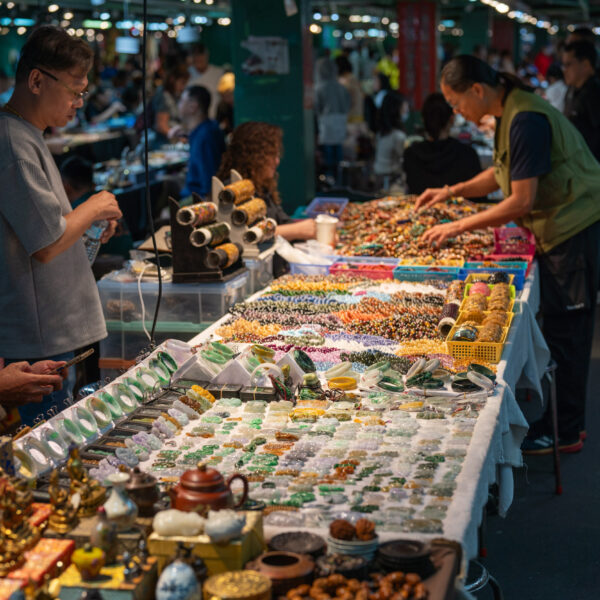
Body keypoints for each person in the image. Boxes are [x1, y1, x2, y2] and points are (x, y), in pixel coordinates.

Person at [415, 55, 600, 454]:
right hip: (561, 230)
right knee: (564, 330)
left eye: (456, 102)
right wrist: (451, 192)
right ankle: (565, 424)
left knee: (569, 332)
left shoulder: (525, 119)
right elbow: (504, 174)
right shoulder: (511, 113)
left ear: (477, 90)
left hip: (574, 230)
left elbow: (521, 199)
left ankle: (566, 431)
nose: (457, 112)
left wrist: (459, 225)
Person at [0, 26, 121, 425]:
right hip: (34, 341)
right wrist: (93, 206)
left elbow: (43, 228)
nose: (78, 103)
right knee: (42, 454)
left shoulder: (27, 134)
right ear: (36, 80)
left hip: (48, 331)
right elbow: (47, 242)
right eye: (73, 90)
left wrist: (88, 225)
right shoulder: (11, 141)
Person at [216, 121, 315, 242]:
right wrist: (298, 230)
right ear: (253, 157)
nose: (277, 161)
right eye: (272, 155)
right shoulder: (230, 193)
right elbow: (246, 235)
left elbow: (283, 220)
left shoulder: (262, 186)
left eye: (277, 155)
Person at [403, 92, 482, 196]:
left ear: (423, 119)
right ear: (452, 119)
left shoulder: (410, 154)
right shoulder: (468, 154)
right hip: (465, 211)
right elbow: (479, 197)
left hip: (418, 210)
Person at [176, 85, 225, 199]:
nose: (179, 105)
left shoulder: (205, 137)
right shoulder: (206, 130)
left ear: (193, 106)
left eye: (182, 101)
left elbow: (209, 186)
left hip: (196, 202)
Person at [561, 41, 600, 162]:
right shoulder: (572, 90)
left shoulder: (595, 93)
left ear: (586, 65)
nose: (564, 70)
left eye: (568, 65)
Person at [314, 58, 351, 182]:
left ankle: (330, 181)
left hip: (326, 125)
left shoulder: (319, 88)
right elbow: (347, 105)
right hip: (340, 123)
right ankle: (339, 180)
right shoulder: (341, 87)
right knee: (338, 154)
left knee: (328, 156)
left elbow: (317, 108)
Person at [373, 91, 407, 192]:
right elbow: (404, 159)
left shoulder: (380, 134)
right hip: (392, 185)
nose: (406, 110)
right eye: (404, 108)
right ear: (397, 110)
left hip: (378, 181)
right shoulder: (398, 136)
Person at [151, 64, 189, 147]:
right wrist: (179, 137)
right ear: (172, 79)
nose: (183, 87)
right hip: (163, 144)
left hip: (172, 144)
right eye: (182, 83)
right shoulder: (163, 95)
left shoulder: (174, 95)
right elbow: (161, 125)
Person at [188, 44, 224, 120]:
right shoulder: (186, 74)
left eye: (201, 55)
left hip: (213, 119)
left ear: (206, 55)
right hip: (191, 122)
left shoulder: (219, 73)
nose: (198, 58)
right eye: (195, 55)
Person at [215, 72, 234, 138]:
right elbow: (218, 125)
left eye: (229, 95)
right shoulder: (222, 106)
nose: (227, 99)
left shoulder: (242, 105)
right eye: (223, 96)